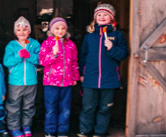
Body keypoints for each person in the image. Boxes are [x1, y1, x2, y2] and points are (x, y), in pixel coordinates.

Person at [77, 3, 129, 137]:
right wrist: (82, 73)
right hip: (90, 78)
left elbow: (123, 54)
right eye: (99, 15)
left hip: (109, 78)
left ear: (111, 18)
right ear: (95, 18)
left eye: (106, 14)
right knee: (88, 106)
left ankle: (100, 131)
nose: (102, 17)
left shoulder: (117, 35)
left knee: (105, 107)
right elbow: (82, 56)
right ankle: (85, 130)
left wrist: (112, 48)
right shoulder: (89, 36)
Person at [39, 17, 80, 137]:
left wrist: (75, 77)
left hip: (67, 82)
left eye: (63, 28)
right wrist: (53, 53)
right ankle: (50, 131)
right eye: (57, 28)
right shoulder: (47, 43)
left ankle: (62, 131)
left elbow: (74, 62)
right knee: (51, 108)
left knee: (65, 108)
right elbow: (42, 61)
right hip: (51, 82)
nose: (60, 31)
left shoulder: (71, 45)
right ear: (52, 30)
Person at [3, 16, 41, 137]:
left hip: (31, 81)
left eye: (25, 29)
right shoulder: (11, 46)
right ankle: (14, 128)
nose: (22, 32)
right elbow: (7, 62)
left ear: (29, 31)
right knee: (14, 106)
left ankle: (26, 126)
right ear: (15, 32)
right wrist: (18, 56)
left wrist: (29, 55)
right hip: (15, 82)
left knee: (29, 105)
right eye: (19, 30)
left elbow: (40, 60)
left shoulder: (34, 44)